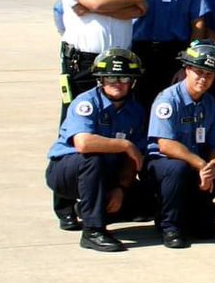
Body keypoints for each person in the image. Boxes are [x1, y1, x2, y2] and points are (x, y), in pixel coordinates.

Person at [56, 0, 147, 229]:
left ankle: (107, 197)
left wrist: (102, 5)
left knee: (116, 130)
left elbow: (140, 7)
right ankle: (65, 204)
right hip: (84, 63)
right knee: (74, 128)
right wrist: (120, 4)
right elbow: (95, 1)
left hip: (119, 66)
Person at [45, 47, 148, 252]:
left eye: (124, 78)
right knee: (92, 158)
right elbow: (83, 144)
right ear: (100, 80)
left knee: (147, 204)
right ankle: (93, 231)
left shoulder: (136, 111)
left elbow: (132, 160)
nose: (117, 83)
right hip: (68, 172)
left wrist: (121, 188)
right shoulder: (86, 103)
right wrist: (125, 145)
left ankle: (90, 209)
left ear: (133, 81)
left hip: (106, 175)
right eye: (110, 77)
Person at [143, 41, 215, 249]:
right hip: (163, 165)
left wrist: (213, 167)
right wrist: (201, 164)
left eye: (209, 74)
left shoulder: (211, 104)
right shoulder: (168, 100)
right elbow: (165, 145)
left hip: (197, 168)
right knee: (177, 168)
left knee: (205, 231)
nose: (203, 78)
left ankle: (187, 212)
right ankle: (169, 226)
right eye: (199, 72)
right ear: (187, 69)